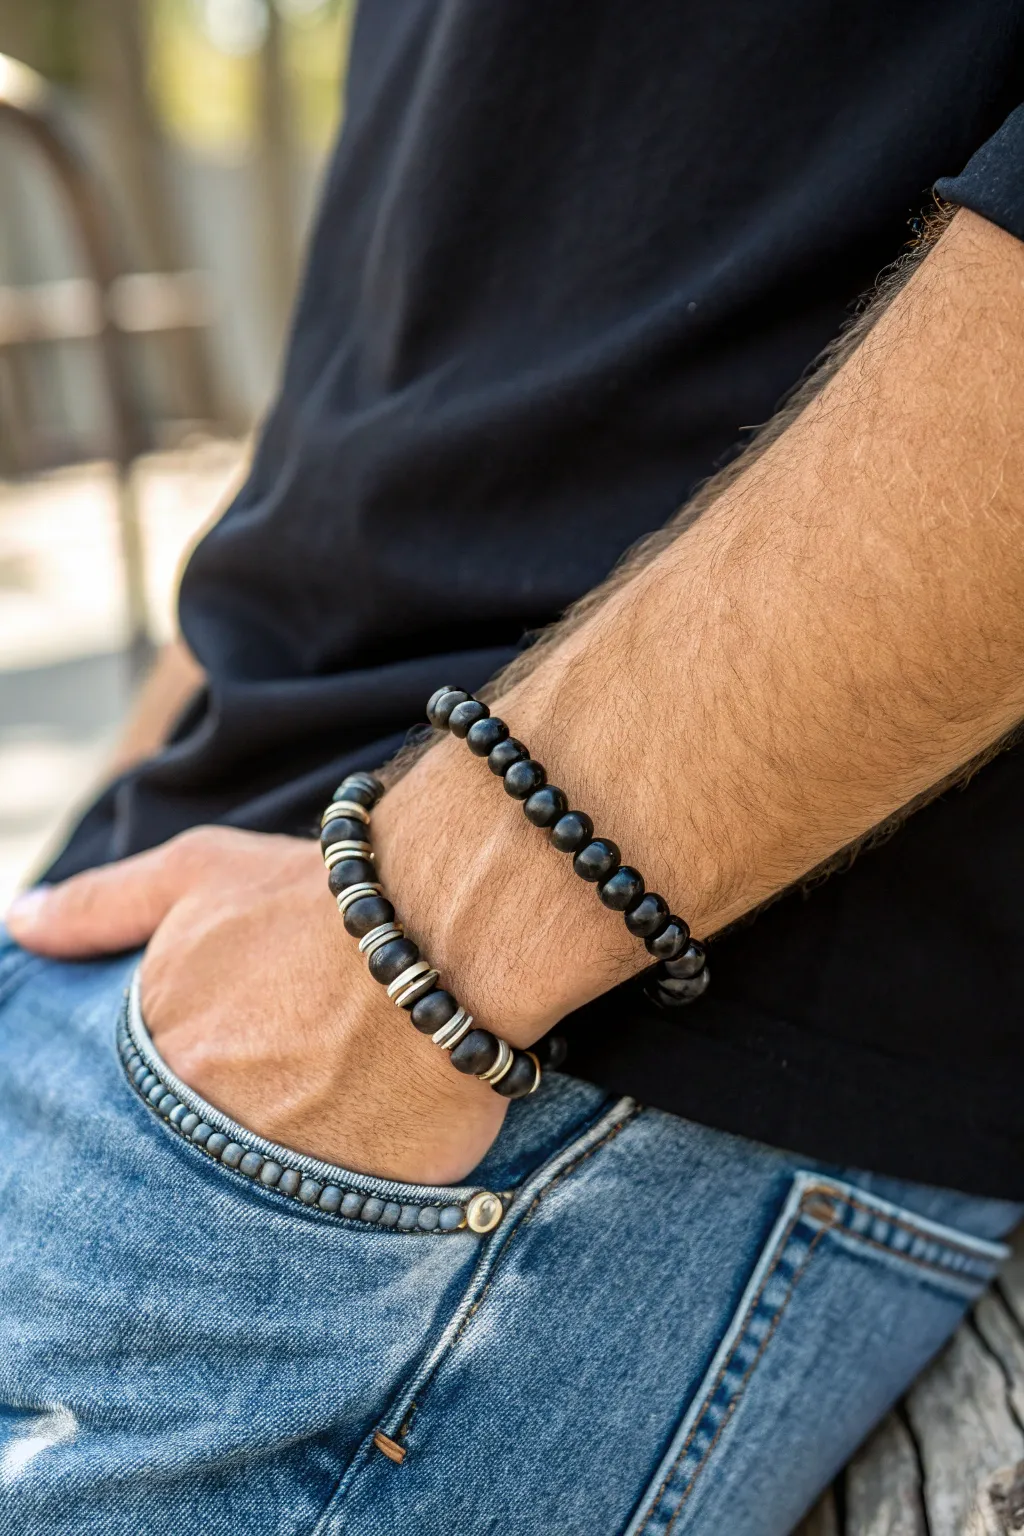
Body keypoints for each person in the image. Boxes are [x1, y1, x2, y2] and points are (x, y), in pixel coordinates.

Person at [3, 3, 1024, 1531]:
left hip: (554, 1060)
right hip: (189, 970)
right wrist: (129, 807)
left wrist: (418, 954)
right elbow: (404, 341)